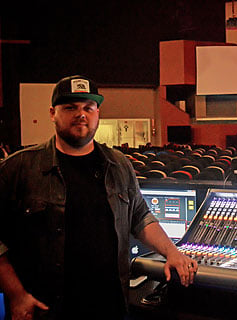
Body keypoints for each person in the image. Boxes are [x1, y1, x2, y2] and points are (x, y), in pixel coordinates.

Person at [0, 75, 198, 320]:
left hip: (110, 306)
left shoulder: (119, 164)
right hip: (46, 310)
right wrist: (16, 295)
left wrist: (172, 252)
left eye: (88, 108)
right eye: (70, 107)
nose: (81, 114)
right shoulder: (19, 168)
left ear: (97, 113)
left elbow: (140, 216)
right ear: (52, 113)